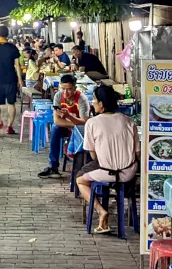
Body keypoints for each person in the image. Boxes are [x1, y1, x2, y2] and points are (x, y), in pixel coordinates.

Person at [76, 84, 140, 233]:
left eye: (94, 100)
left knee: (81, 179)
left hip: (106, 171)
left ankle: (100, 210)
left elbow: (93, 154)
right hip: (129, 172)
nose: (93, 103)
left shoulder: (92, 123)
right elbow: (137, 153)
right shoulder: (129, 121)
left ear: (102, 104)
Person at [38, 74, 90, 178]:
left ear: (75, 88)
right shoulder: (58, 96)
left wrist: (69, 119)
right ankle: (53, 166)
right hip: (68, 127)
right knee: (55, 129)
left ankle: (80, 169)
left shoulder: (81, 99)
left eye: (69, 89)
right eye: (63, 89)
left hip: (80, 130)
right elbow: (57, 121)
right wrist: (74, 123)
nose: (65, 92)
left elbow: (84, 122)